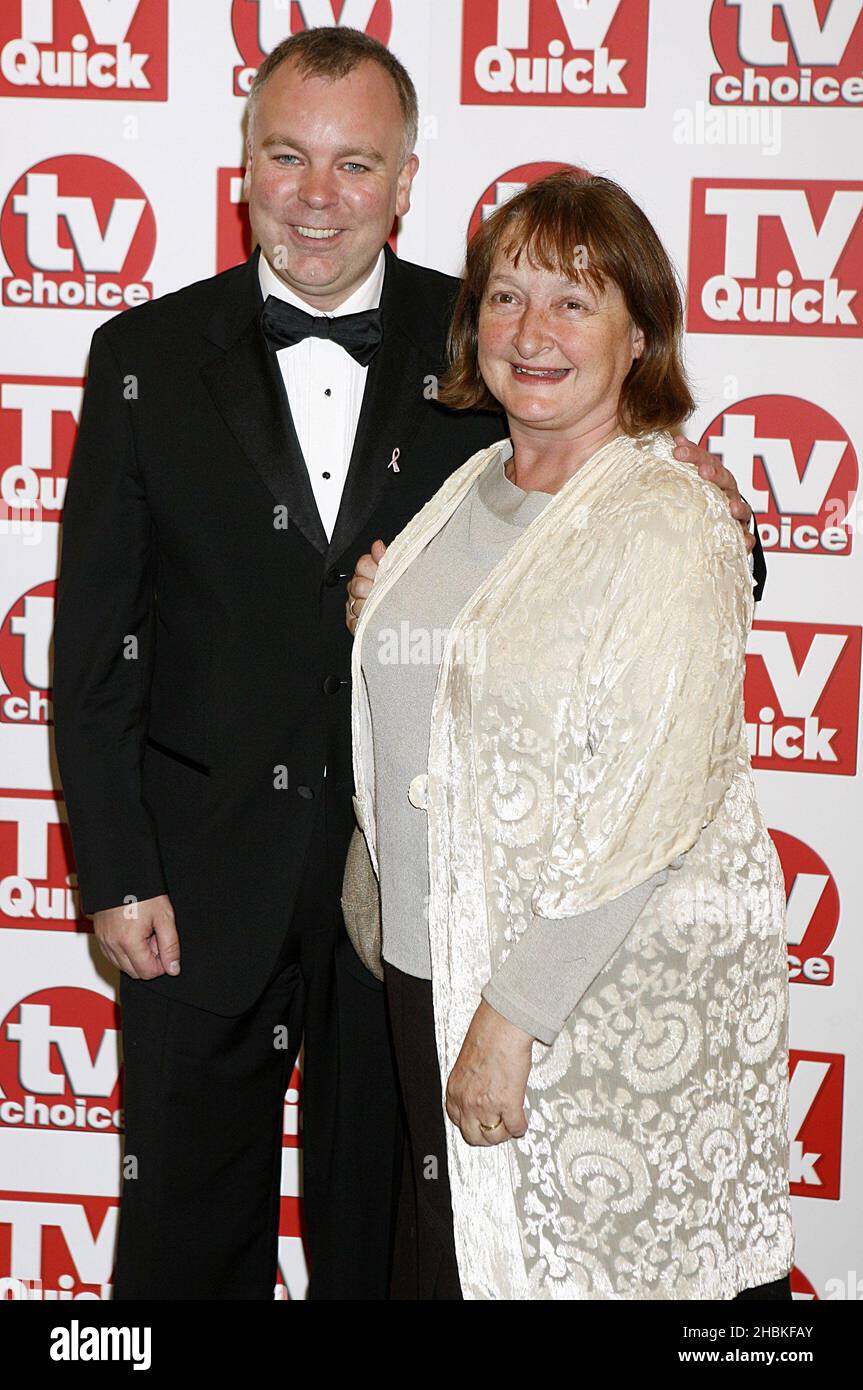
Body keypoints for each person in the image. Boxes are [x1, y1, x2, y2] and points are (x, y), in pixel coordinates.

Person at [52, 27, 758, 1301]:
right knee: (179, 1241)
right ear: (244, 169)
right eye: (287, 157)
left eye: (355, 164)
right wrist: (116, 870)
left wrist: (719, 503)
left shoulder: (490, 340)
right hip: (194, 884)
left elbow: (627, 512)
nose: (317, 197)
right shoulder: (142, 356)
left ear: (406, 178)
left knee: (383, 1244)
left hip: (409, 905)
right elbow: (96, 646)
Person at [347, 170, 792, 1300]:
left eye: (572, 302)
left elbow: (649, 801)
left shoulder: (665, 517)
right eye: (505, 297)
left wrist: (513, 1018)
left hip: (570, 1008)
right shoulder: (470, 483)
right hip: (428, 971)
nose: (529, 332)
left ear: (638, 332)